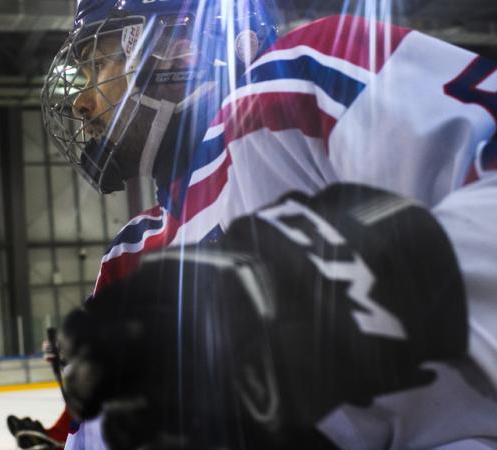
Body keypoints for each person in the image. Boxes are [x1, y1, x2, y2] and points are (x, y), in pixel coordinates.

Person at [34, 0, 497, 448]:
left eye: (99, 63)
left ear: (180, 48)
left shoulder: (298, 78)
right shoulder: (128, 258)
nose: (82, 101)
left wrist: (314, 294)